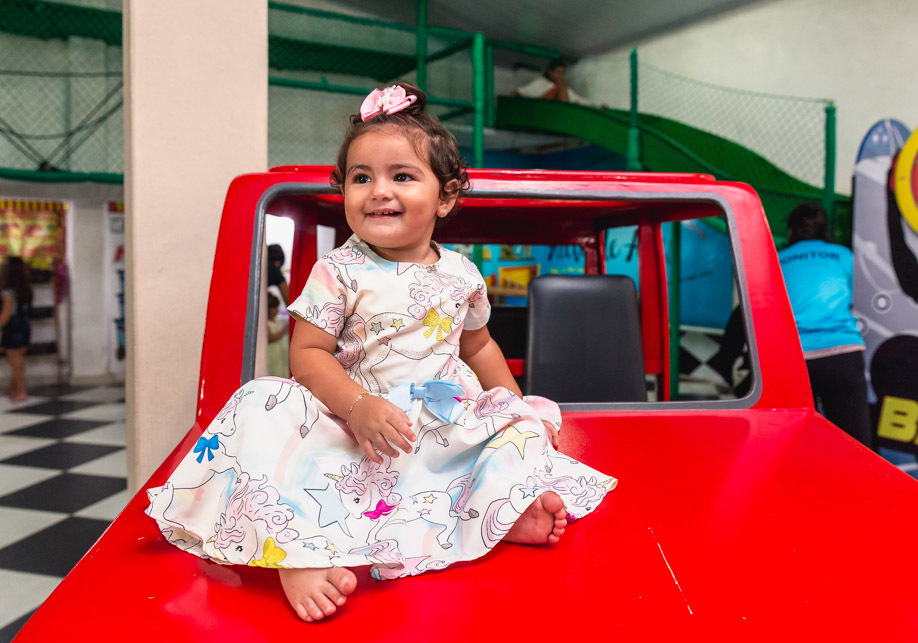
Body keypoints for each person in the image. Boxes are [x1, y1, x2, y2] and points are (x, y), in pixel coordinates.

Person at [145, 83, 616, 623]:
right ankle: (293, 551)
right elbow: (309, 354)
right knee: (262, 401)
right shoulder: (339, 270)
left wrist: (512, 407)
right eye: (361, 177)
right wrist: (355, 406)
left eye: (402, 176)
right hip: (354, 430)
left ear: (446, 196)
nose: (378, 191)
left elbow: (479, 344)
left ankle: (503, 512)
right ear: (343, 190)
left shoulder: (460, 272)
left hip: (439, 426)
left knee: (522, 424)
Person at [778, 203, 871, 446]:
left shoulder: (777, 260)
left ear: (790, 231)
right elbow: (854, 298)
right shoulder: (842, 255)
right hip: (842, 354)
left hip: (796, 359)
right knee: (855, 446)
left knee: (793, 443)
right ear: (824, 230)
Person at [0, 256, 33, 402]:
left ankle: (21, 391)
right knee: (20, 361)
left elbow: (7, 313)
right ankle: (14, 388)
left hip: (12, 328)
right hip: (25, 325)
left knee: (14, 363)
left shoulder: (7, 291)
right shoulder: (26, 289)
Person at [511, 58, 592, 105]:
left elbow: (578, 99)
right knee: (562, 87)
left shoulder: (562, 86)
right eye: (559, 73)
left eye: (563, 73)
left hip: (557, 113)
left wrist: (597, 105)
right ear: (550, 72)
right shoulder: (540, 83)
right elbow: (518, 92)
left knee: (565, 90)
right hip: (543, 111)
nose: (561, 76)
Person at [266, 292, 290, 378]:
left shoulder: (274, 321)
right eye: (274, 307)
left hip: (278, 351)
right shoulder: (266, 323)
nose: (277, 309)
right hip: (272, 352)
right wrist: (283, 332)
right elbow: (270, 337)